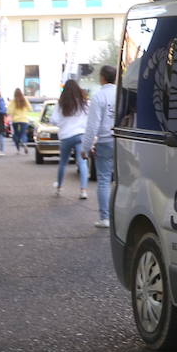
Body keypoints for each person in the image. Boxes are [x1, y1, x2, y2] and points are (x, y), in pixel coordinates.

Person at [82, 65, 117, 229]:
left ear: (102, 77)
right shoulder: (121, 94)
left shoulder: (99, 97)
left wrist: (86, 147)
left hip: (104, 140)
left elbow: (92, 126)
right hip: (122, 140)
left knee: (104, 180)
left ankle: (105, 218)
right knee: (122, 181)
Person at [53, 79, 89, 199]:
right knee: (82, 163)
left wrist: (62, 124)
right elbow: (89, 119)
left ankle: (59, 188)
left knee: (63, 163)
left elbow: (54, 120)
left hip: (66, 136)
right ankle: (83, 190)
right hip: (81, 135)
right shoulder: (84, 103)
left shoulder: (61, 104)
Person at [8, 88, 32, 153]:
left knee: (16, 134)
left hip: (15, 120)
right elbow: (30, 109)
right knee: (23, 133)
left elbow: (10, 111)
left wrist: (11, 114)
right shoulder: (24, 100)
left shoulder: (13, 101)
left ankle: (18, 149)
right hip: (24, 119)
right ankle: (24, 143)